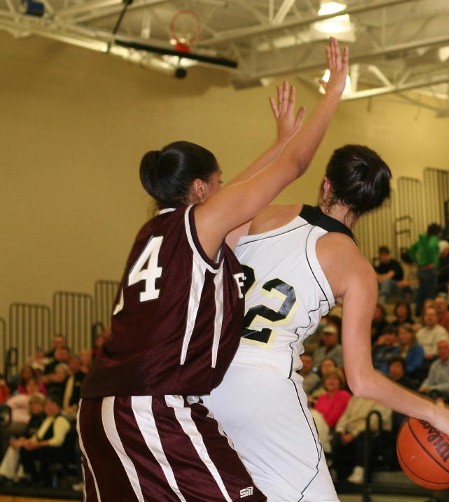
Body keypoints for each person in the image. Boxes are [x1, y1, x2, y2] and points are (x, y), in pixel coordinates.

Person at [77, 37, 350, 502]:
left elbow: (247, 186)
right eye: (219, 183)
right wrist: (332, 94)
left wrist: (279, 140)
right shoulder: (199, 224)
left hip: (99, 406)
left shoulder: (153, 232)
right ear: (202, 189)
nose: (227, 191)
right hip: (153, 405)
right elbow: (296, 166)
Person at [206, 144, 449, 501]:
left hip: (208, 377)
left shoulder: (265, 214)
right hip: (264, 382)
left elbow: (209, 230)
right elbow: (361, 380)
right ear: (370, 206)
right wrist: (433, 411)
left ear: (326, 184)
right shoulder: (357, 270)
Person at [408, 223, 442, 316]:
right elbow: (432, 246)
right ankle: (428, 314)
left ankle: (418, 312)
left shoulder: (422, 240)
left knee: (421, 291)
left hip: (421, 269)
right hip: (429, 269)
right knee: (430, 293)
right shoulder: (434, 239)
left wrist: (416, 261)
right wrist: (435, 263)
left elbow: (410, 250)